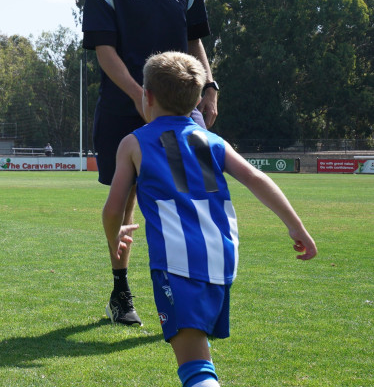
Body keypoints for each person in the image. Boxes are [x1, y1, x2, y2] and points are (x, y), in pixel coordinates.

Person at [103, 51, 317, 387]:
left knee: (195, 369)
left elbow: (114, 208)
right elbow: (256, 179)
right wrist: (296, 225)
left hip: (178, 262)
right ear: (198, 100)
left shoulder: (134, 143)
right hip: (222, 259)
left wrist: (114, 236)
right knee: (199, 357)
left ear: (147, 95)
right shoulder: (213, 141)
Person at [82, 0, 219, 326]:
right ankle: (121, 291)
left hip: (181, 109)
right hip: (125, 110)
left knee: (198, 198)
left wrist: (208, 86)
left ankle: (196, 291)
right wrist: (142, 98)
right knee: (121, 206)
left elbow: (196, 41)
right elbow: (104, 52)